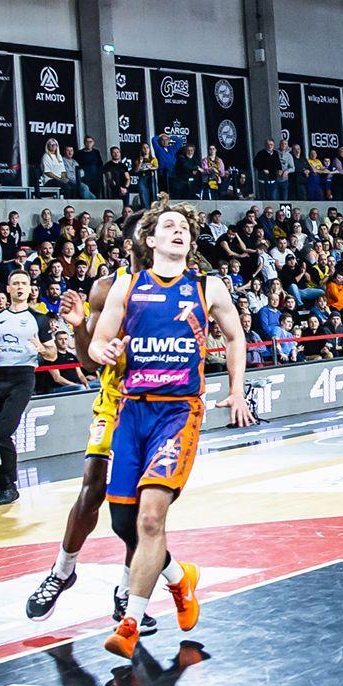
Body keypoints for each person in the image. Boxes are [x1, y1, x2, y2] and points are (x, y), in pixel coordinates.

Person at [88, 201, 247, 658]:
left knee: (151, 518)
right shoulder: (127, 285)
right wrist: (103, 350)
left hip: (178, 413)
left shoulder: (207, 285)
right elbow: (99, 341)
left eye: (184, 228)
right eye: (169, 226)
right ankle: (179, 579)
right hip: (131, 412)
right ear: (150, 239)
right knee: (124, 523)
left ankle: (131, 623)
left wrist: (236, 389)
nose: (178, 231)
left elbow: (234, 336)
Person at [0, 268, 56, 505]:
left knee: (2, 432)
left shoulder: (38, 319)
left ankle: (9, 485)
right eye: (15, 283)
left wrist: (41, 349)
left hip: (22, 378)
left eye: (23, 284)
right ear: (8, 289)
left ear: (29, 289)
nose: (19, 287)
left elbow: (53, 354)